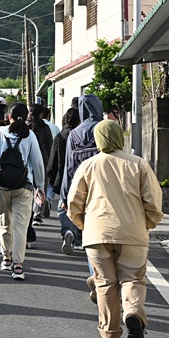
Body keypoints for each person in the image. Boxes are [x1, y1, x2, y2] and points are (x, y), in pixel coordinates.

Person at [67, 120, 164, 338]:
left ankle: (110, 332)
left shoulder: (88, 165)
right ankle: (133, 312)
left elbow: (73, 202)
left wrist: (84, 225)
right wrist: (148, 223)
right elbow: (153, 201)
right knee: (133, 278)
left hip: (96, 234)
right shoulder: (138, 164)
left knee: (104, 283)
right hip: (133, 232)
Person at [0, 102, 45, 281]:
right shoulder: (30, 135)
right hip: (23, 186)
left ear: (9, 116)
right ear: (26, 117)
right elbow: (38, 162)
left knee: (4, 221)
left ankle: (6, 257)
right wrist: (40, 186)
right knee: (20, 226)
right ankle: (18, 266)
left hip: (1, 185)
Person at [59, 94, 104, 255]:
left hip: (80, 183)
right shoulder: (104, 129)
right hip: (102, 186)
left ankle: (73, 234)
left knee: (80, 215)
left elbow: (69, 166)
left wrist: (65, 196)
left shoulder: (74, 134)